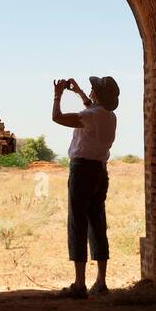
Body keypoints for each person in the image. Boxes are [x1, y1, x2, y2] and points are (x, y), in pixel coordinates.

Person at [51, 75, 120, 298]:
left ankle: (79, 284)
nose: (90, 91)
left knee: (77, 222)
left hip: (82, 171)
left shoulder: (89, 116)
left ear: (97, 95)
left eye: (93, 89)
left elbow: (57, 118)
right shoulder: (110, 116)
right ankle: (101, 281)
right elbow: (93, 109)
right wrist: (79, 91)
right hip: (100, 171)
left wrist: (57, 94)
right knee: (97, 222)